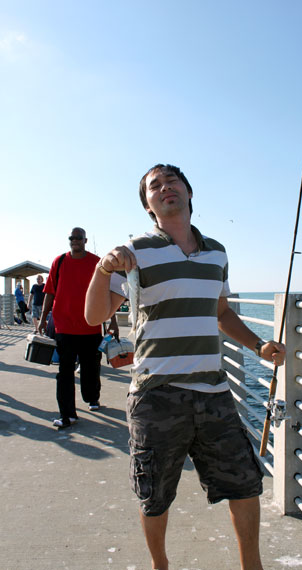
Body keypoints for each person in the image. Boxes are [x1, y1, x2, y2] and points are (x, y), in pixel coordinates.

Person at [85, 164, 286, 570]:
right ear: (149, 205)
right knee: (155, 494)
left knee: (245, 484)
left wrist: (258, 344)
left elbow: (221, 311)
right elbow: (94, 316)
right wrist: (103, 268)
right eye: (154, 186)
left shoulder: (217, 252)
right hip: (155, 394)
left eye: (171, 181)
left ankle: (253, 566)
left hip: (213, 391)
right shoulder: (135, 250)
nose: (165, 188)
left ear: (189, 193)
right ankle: (161, 566)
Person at [39, 227, 104, 429]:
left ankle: (92, 397)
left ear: (85, 240)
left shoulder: (97, 262)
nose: (74, 241)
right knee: (65, 372)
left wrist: (112, 322)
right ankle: (67, 415)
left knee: (90, 368)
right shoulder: (59, 262)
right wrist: (42, 319)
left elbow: (106, 293)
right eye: (71, 238)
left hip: (91, 326)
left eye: (78, 238)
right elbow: (50, 292)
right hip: (64, 327)